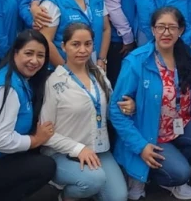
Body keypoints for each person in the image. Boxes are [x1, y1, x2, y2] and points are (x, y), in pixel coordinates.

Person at [111, 7, 191, 201]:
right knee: (181, 174)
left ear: (181, 30)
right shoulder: (136, 61)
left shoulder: (188, 55)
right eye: (161, 27)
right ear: (152, 30)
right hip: (150, 133)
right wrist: (140, 146)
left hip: (179, 126)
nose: (166, 33)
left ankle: (162, 166)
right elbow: (116, 110)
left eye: (172, 27)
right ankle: (142, 169)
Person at [0, 30, 57, 200]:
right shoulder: (6, 87)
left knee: (46, 191)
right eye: (28, 53)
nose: (35, 61)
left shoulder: (21, 80)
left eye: (41, 55)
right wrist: (35, 140)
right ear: (15, 53)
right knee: (45, 167)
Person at [41, 23, 127, 201]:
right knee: (94, 179)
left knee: (118, 197)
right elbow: (46, 134)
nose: (82, 50)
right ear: (63, 46)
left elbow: (111, 112)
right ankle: (65, 196)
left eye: (87, 44)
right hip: (63, 153)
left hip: (98, 149)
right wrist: (78, 149)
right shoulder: (54, 82)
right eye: (75, 44)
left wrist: (128, 106)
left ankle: (87, 188)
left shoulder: (100, 76)